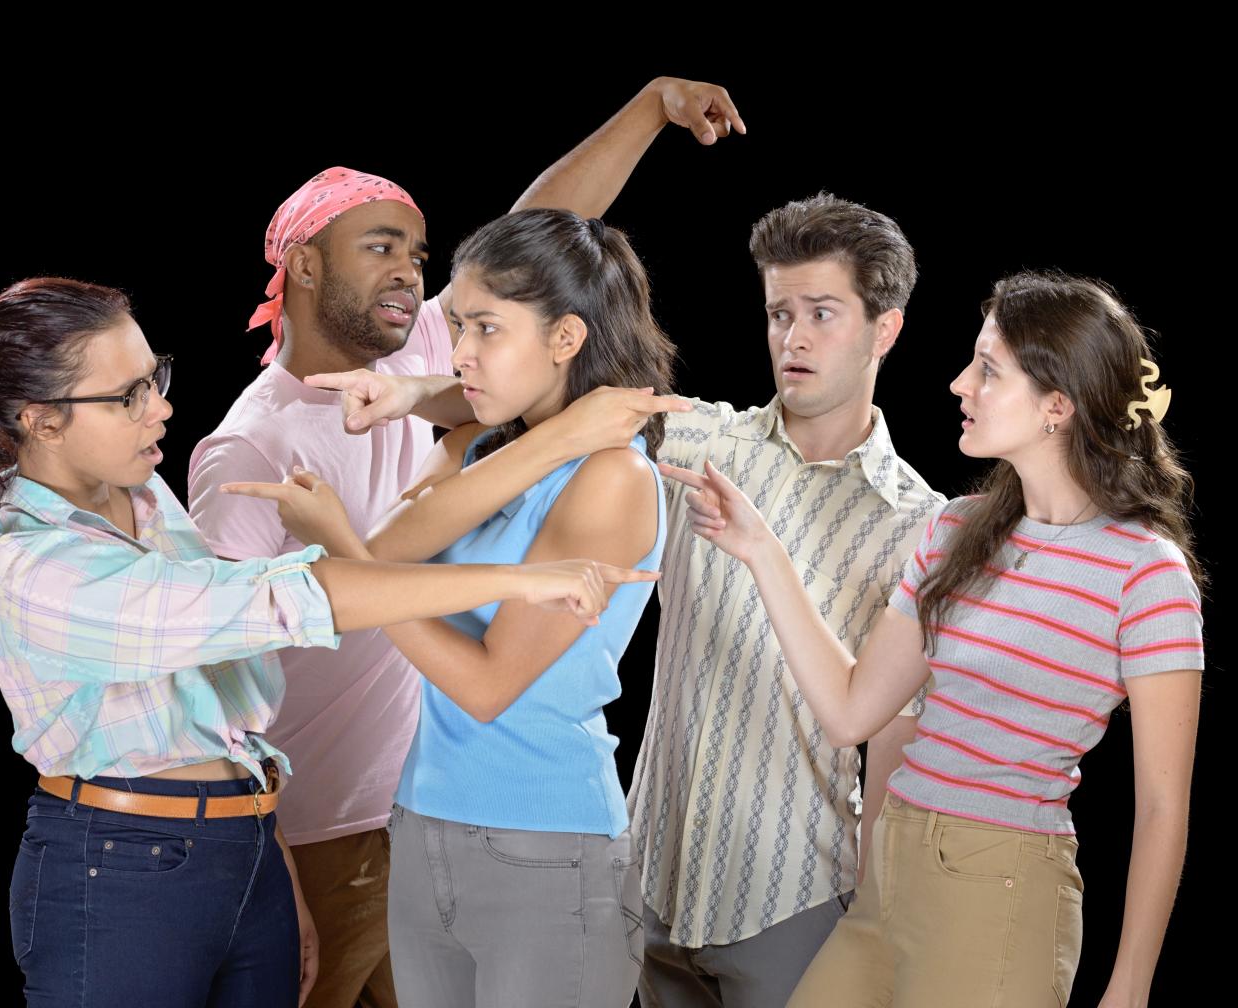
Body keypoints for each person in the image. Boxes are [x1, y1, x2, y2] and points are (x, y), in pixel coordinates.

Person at [0, 276, 655, 1008]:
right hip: (121, 867)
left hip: (242, 846)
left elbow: (214, 707)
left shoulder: (138, 491)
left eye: (156, 378)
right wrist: (517, 579)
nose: (161, 409)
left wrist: (267, 844)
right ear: (41, 419)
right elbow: (277, 601)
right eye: (128, 397)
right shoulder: (35, 565)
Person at [186, 75, 742, 1008]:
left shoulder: (487, 410)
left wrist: (649, 108)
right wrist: (262, 844)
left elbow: (540, 248)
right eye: (381, 248)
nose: (414, 275)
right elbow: (214, 665)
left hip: (486, 828)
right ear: (306, 268)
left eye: (419, 253)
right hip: (339, 824)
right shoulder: (262, 442)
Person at [320, 192, 944, 1006]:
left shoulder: (918, 521)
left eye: (821, 313)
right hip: (657, 869)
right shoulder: (698, 438)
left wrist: (878, 904)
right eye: (778, 311)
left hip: (793, 885)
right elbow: (554, 398)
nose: (792, 336)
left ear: (884, 328)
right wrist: (412, 395)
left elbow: (894, 725)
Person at [666, 271, 1204, 1007]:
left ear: (1058, 404)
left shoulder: (1145, 572)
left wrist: (1131, 985)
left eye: (988, 369)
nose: (959, 384)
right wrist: (761, 551)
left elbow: (1162, 805)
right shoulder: (955, 531)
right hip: (890, 878)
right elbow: (852, 711)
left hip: (998, 890)